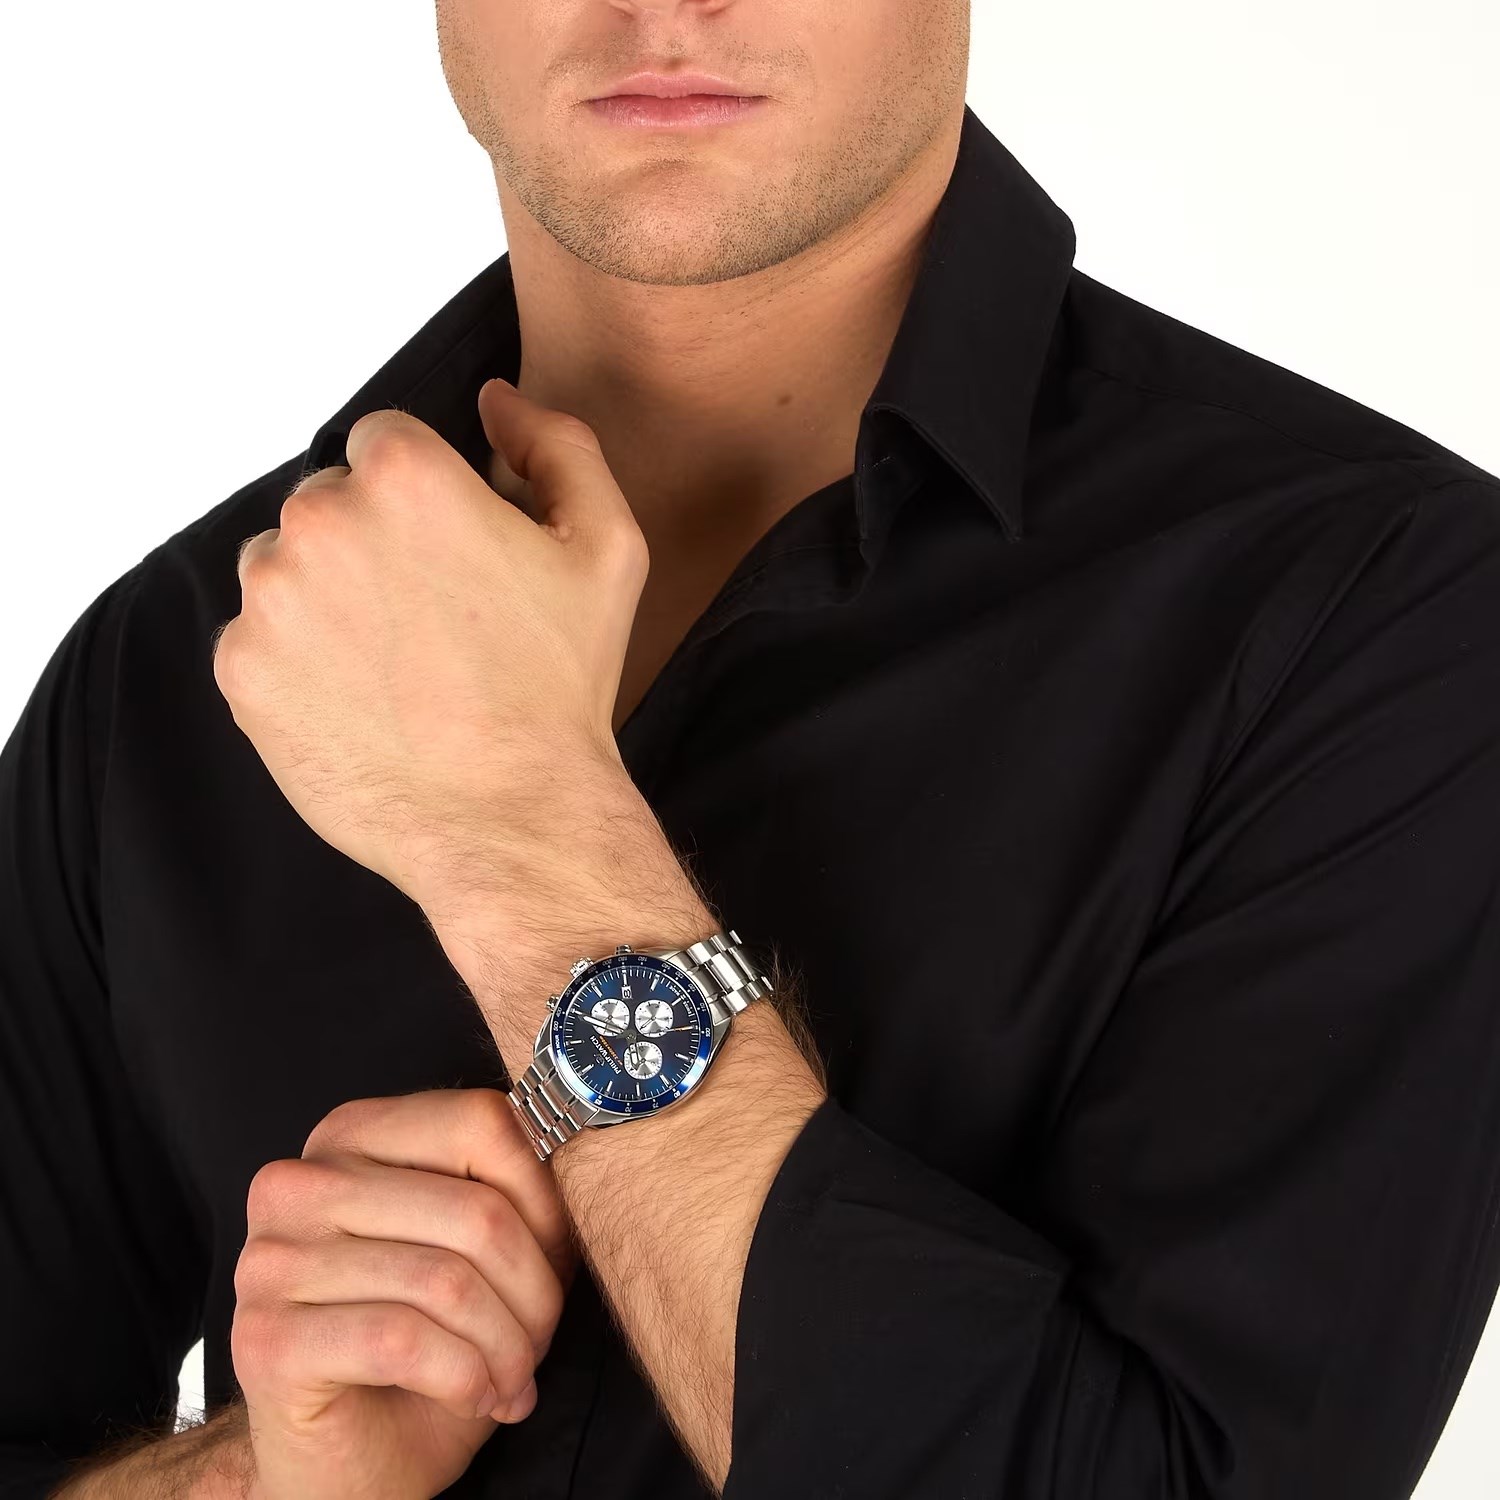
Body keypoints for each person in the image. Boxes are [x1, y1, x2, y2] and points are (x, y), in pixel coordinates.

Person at [3, 1, 1499, 1497]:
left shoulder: (1382, 613)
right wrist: (262, 1482)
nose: (666, 2)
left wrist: (532, 845)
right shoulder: (168, 662)